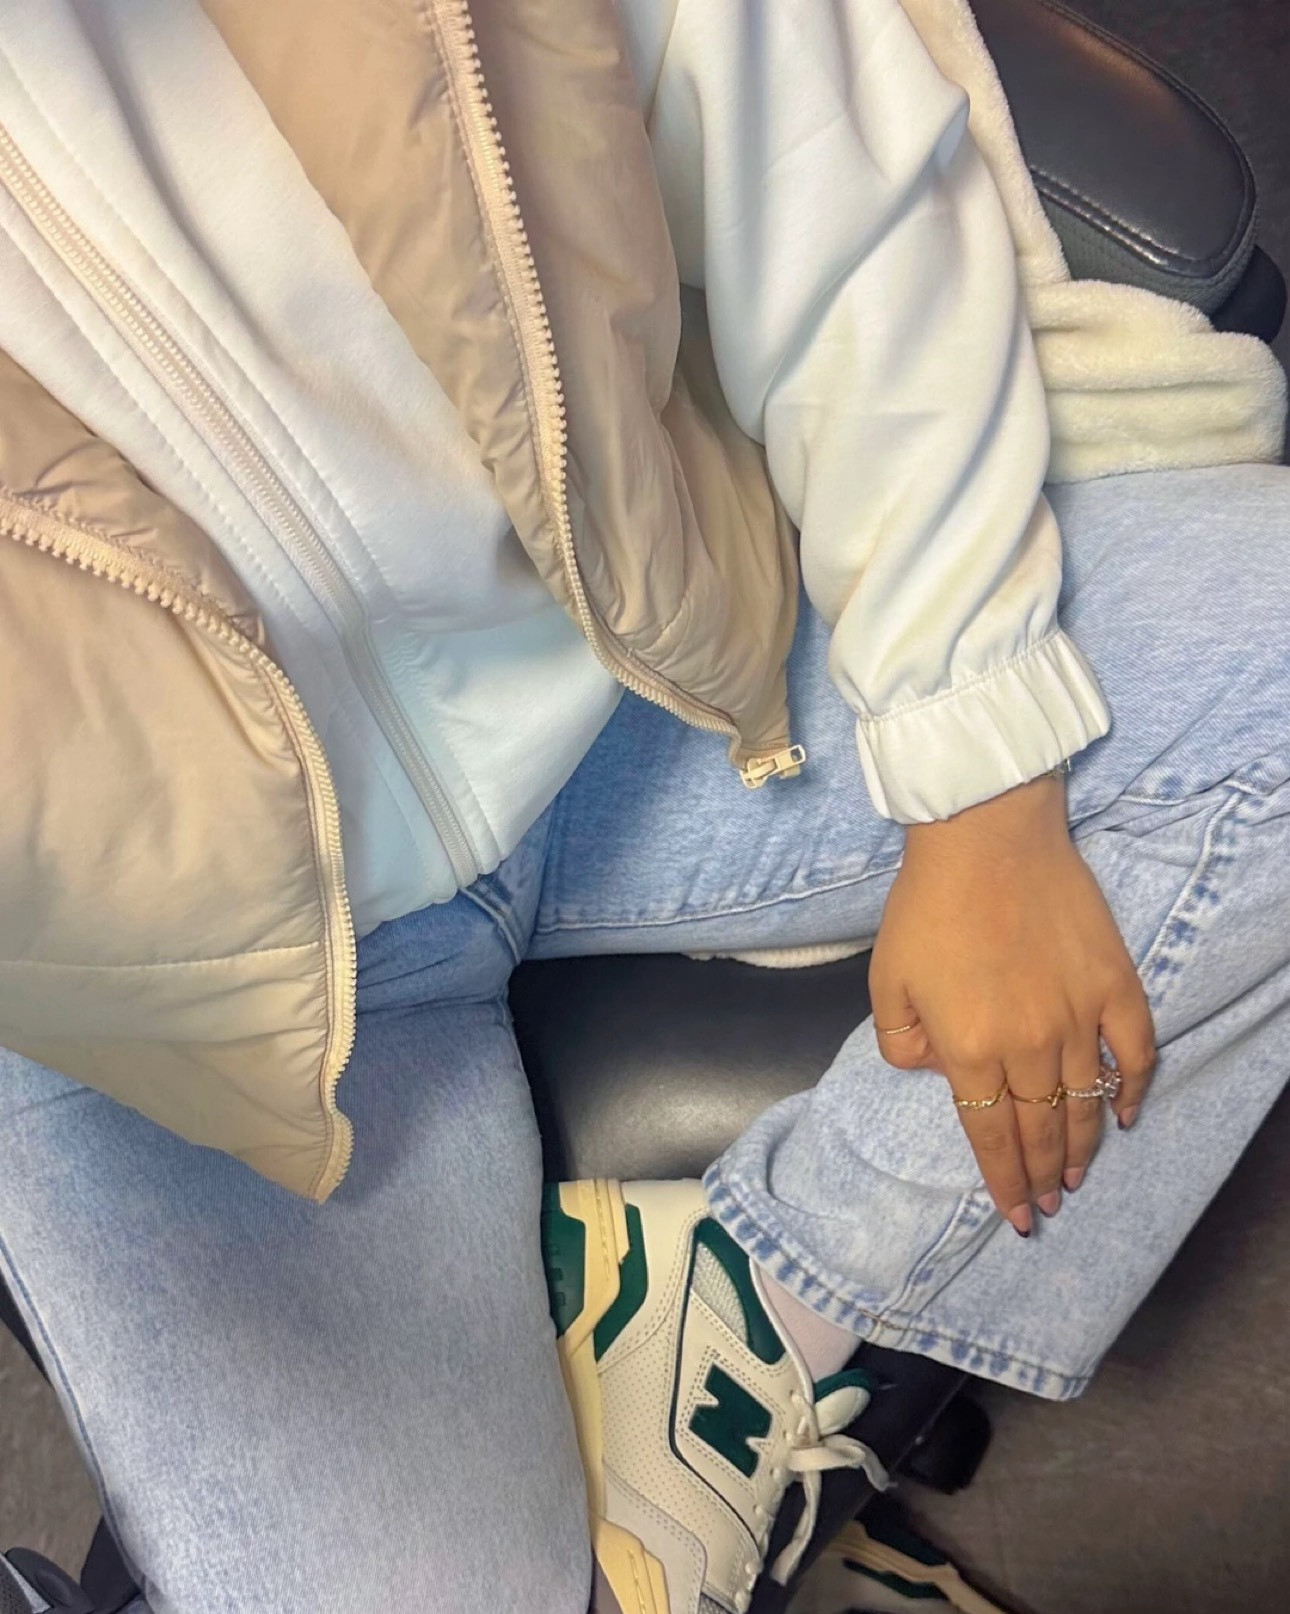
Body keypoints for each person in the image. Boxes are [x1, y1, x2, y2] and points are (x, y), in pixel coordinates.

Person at [0, 1, 1286, 1611]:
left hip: (637, 659)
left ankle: (751, 1314)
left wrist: (983, 790)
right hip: (193, 985)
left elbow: (817, 166)